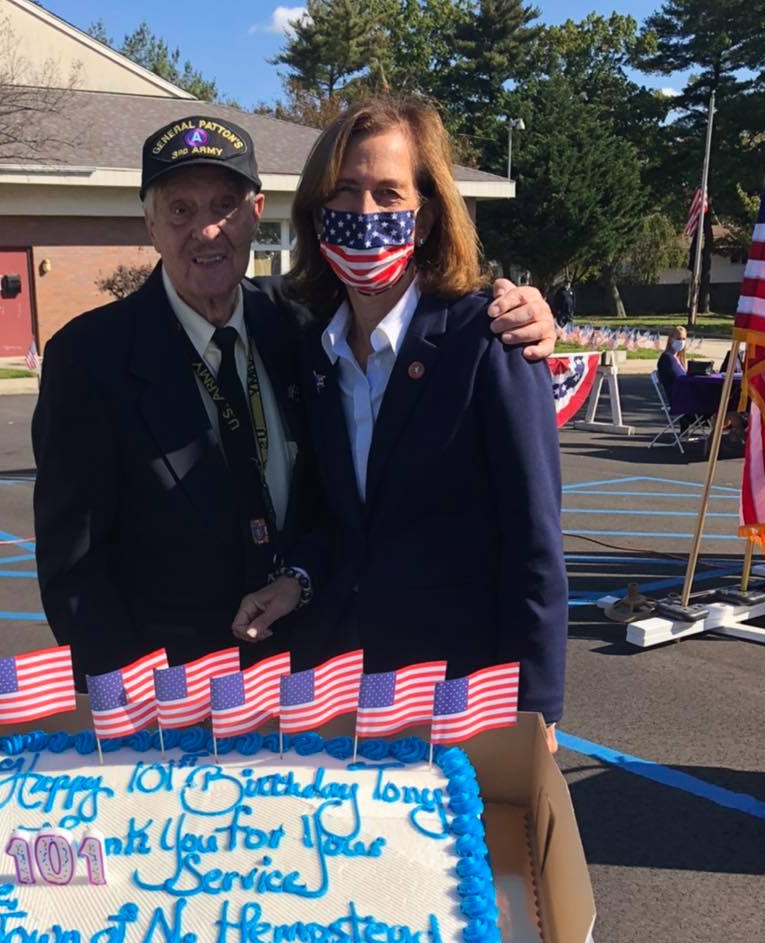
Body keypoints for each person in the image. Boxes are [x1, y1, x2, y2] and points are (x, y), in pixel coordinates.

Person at [33, 112, 558, 685]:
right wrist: (126, 701)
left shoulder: (305, 325)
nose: (207, 231)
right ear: (150, 223)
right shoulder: (89, 360)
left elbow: (340, 513)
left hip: (316, 676)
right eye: (181, 209)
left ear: (256, 215)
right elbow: (74, 569)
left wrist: (529, 311)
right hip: (179, 693)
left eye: (225, 206)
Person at [231, 97, 566, 751]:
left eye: (389, 194)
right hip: (339, 680)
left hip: (455, 692)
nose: (365, 214)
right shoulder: (316, 347)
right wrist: (295, 577)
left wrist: (538, 710)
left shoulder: (489, 339)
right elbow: (342, 521)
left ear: (428, 214)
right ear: (316, 211)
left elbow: (534, 544)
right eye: (346, 192)